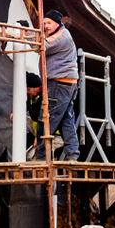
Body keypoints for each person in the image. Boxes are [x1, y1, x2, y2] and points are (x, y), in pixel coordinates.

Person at [39, 9, 79, 161]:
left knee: (49, 118)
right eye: (44, 23)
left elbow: (41, 46)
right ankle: (72, 153)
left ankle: (42, 155)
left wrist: (25, 32)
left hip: (59, 83)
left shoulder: (60, 36)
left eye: (49, 23)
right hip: (67, 82)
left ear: (58, 23)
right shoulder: (63, 35)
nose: (46, 26)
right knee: (66, 119)